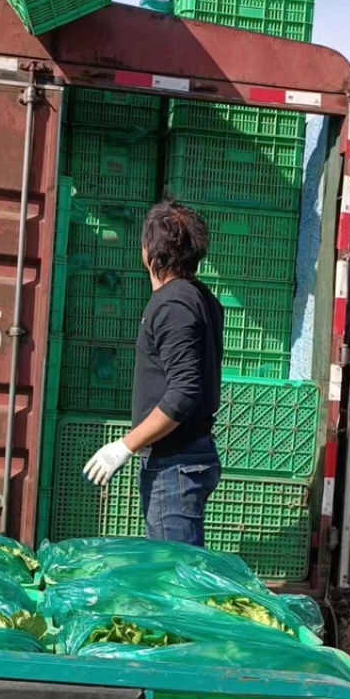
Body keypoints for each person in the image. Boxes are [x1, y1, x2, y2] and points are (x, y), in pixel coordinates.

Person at [83, 203, 224, 547]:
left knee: (173, 575)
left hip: (175, 464)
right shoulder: (200, 298)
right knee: (176, 570)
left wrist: (125, 446)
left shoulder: (173, 305)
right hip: (182, 459)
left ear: (148, 252)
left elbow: (184, 392)